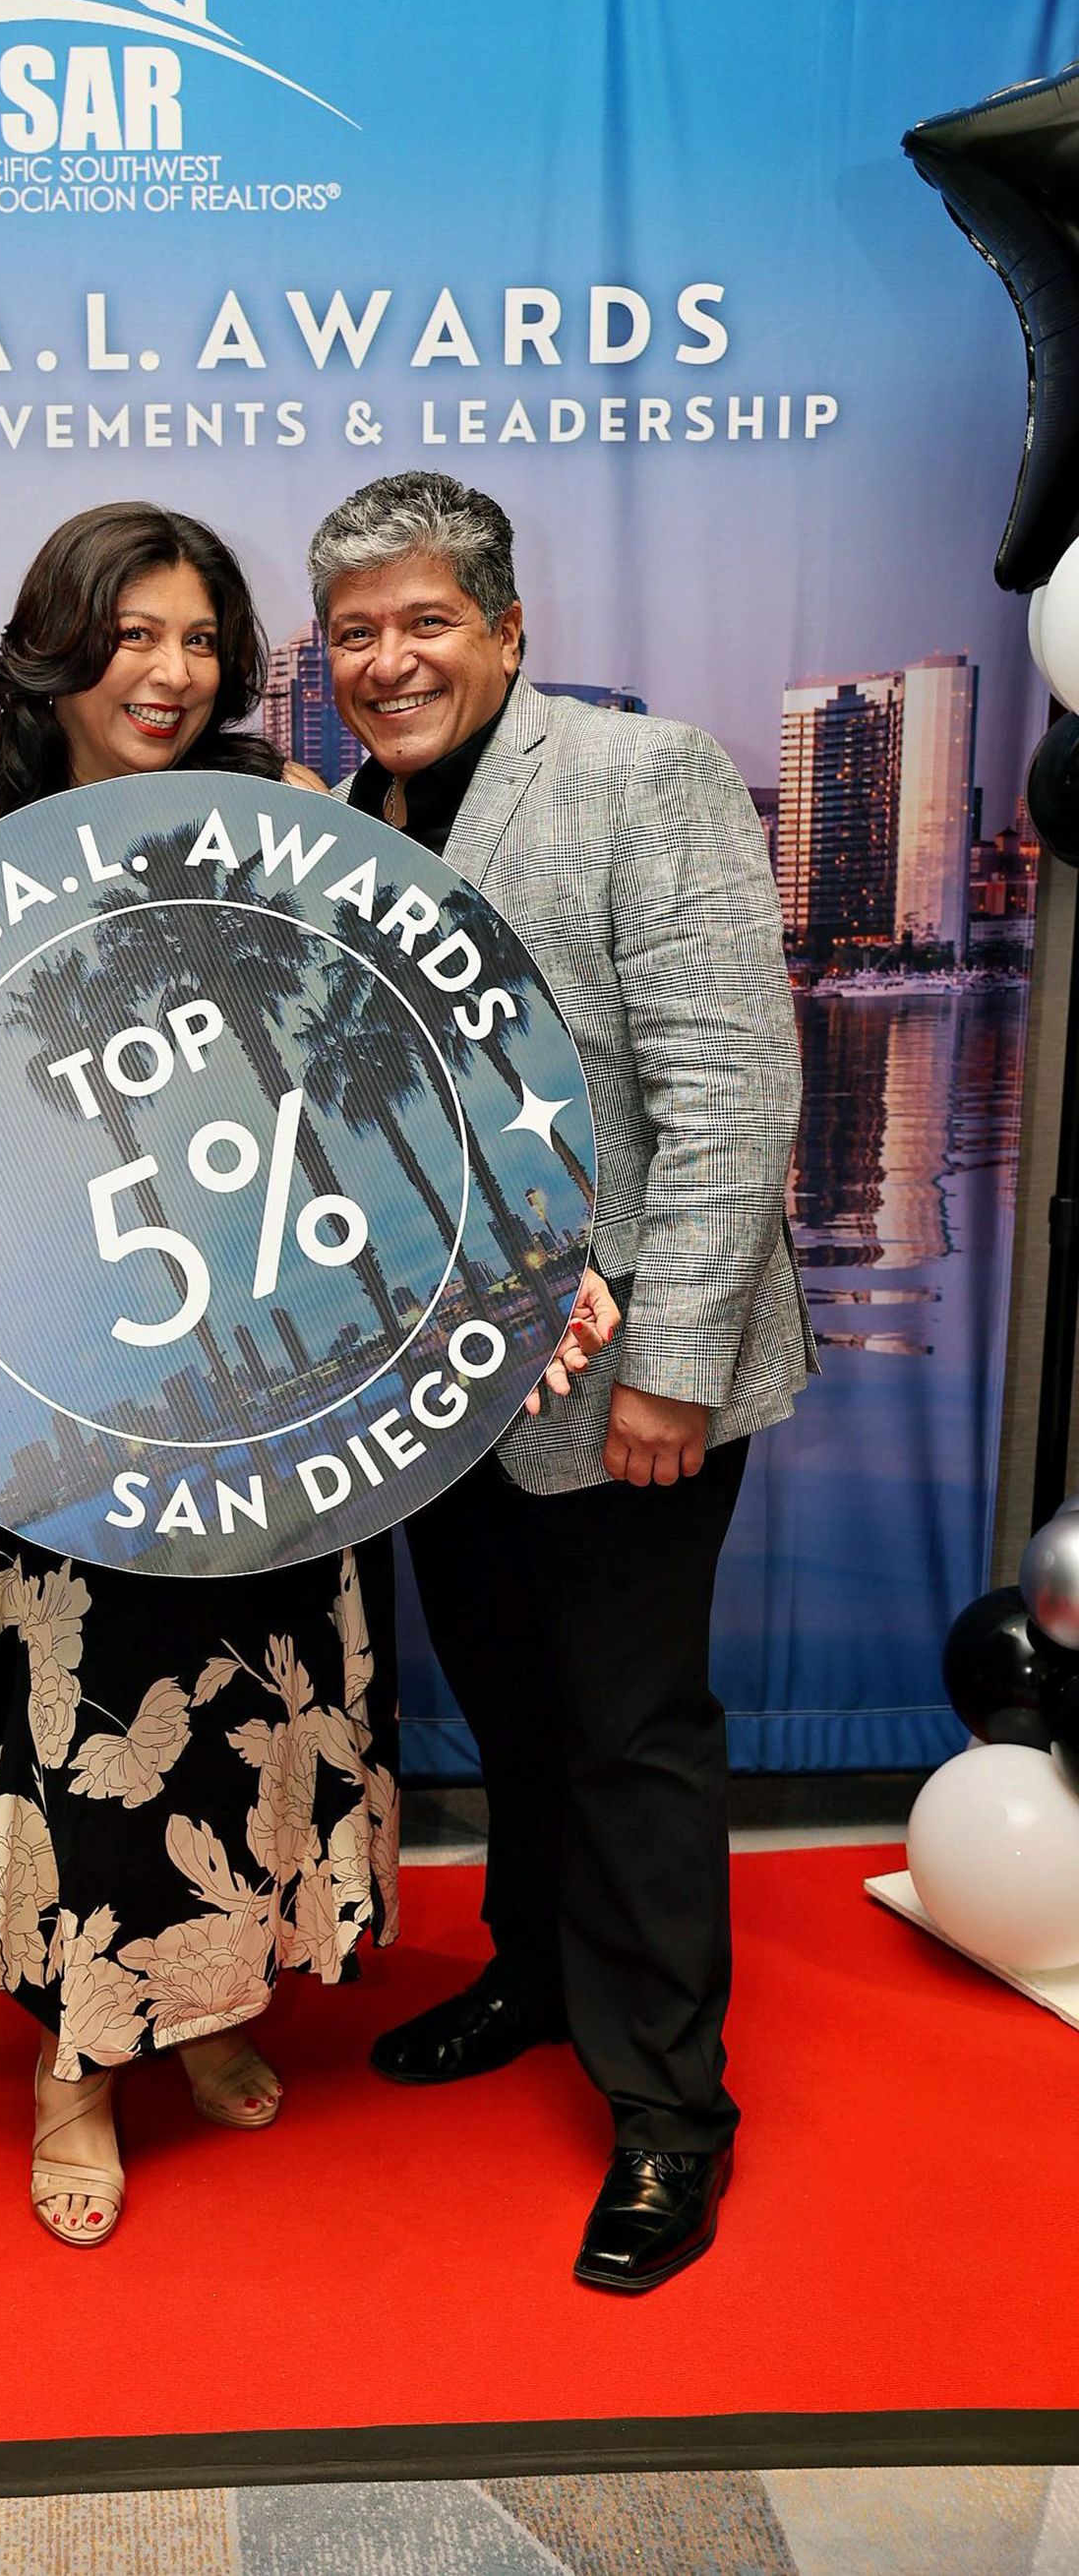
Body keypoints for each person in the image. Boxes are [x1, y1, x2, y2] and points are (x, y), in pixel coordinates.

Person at [0, 500, 617, 2248]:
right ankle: (77, 2064)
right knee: (92, 1713)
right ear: (59, 644)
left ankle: (210, 2006)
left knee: (258, 1701)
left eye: (202, 641)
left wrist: (521, 1251)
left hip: (274, 1376)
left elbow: (380, 1060)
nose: (173, 674)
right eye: (135, 636)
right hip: (59, 1379)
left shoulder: (280, 815)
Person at [308, 470, 814, 2294]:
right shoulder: (343, 825)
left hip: (625, 1391)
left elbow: (732, 1088)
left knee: (629, 1735)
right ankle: (535, 1972)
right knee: (516, 1714)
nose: (389, 660)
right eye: (354, 633)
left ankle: (672, 2112)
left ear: (510, 631)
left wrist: (671, 1367)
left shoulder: (637, 774)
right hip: (443, 1397)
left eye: (427, 621)